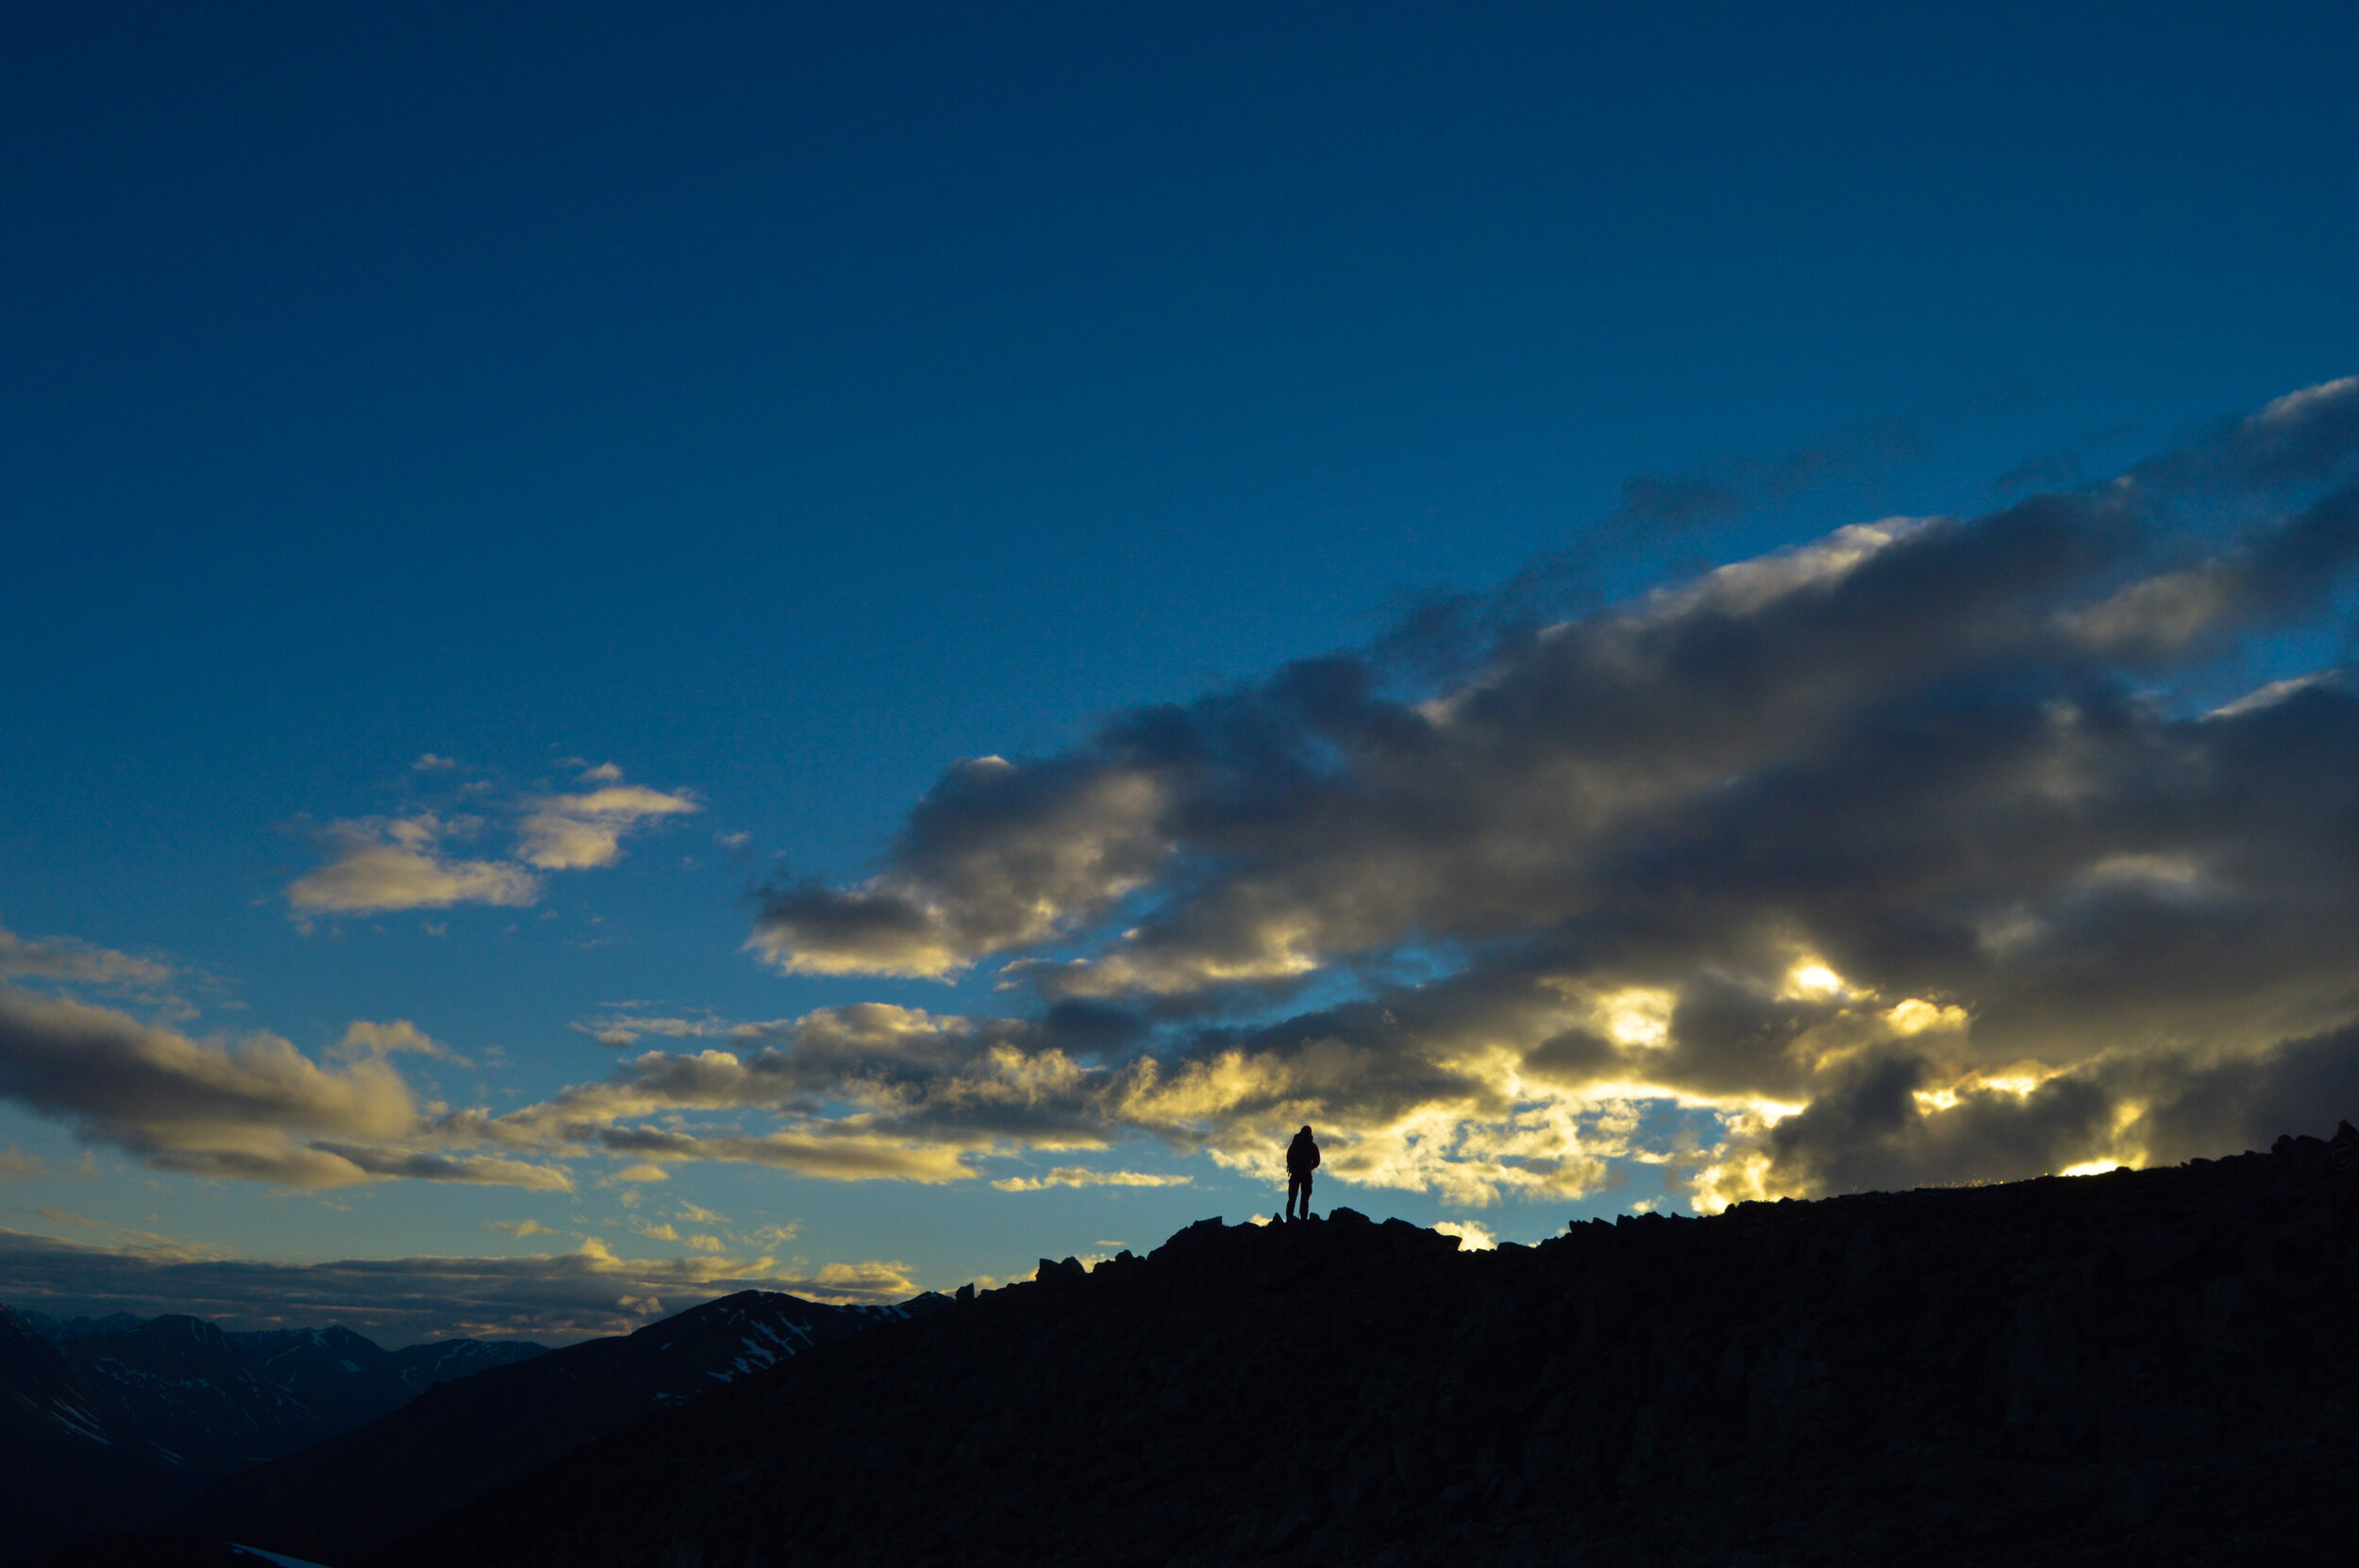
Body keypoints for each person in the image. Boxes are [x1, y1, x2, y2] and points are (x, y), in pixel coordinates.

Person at [1285, 1126, 1320, 1221]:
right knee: (1305, 1198)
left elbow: (1288, 1157)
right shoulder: (1312, 1146)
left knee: (1292, 1198)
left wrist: (1293, 1167)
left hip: (1295, 1173)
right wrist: (1310, 1168)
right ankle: (1303, 1219)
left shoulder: (1295, 1144)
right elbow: (1317, 1162)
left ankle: (1289, 1218)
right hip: (1306, 1174)